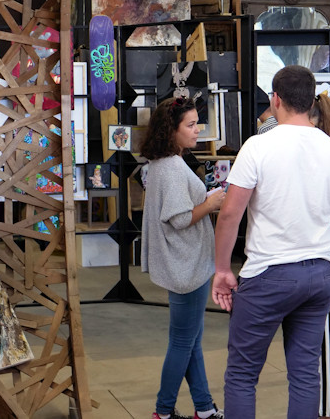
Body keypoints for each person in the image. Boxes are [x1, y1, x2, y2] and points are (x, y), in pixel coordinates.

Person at [212, 65, 330, 419]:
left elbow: (230, 214)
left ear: (275, 100)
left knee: (243, 374)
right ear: (311, 102)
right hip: (320, 273)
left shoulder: (258, 147)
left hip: (269, 275)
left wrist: (221, 270)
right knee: (306, 373)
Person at [258, 90, 330, 418]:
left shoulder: (271, 136)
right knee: (324, 357)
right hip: (323, 257)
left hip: (280, 260)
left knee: (293, 361)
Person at [139, 96, 227, 419]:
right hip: (186, 266)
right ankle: (163, 411)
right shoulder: (173, 166)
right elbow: (179, 218)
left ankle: (204, 408)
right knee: (183, 341)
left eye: (196, 123)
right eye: (189, 125)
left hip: (184, 265)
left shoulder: (162, 162)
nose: (196, 130)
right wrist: (212, 202)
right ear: (171, 130)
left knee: (190, 340)